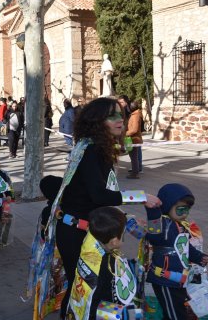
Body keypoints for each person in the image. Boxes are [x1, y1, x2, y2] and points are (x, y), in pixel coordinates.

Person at [53, 97, 161, 318]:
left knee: (85, 288)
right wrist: (141, 197)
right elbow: (99, 195)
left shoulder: (92, 146)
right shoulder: (93, 150)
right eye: (111, 116)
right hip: (76, 231)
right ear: (97, 121)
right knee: (83, 289)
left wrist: (126, 217)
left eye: (120, 114)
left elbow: (95, 197)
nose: (120, 119)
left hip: (82, 228)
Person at [146, 183, 208, 320]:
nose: (185, 214)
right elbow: (154, 236)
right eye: (181, 210)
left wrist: (198, 256)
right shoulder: (163, 225)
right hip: (164, 280)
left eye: (187, 210)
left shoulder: (180, 226)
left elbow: (184, 246)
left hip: (179, 279)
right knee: (175, 314)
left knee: (177, 310)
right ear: (168, 206)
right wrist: (153, 211)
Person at [67, 207, 139, 319]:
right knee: (135, 314)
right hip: (96, 312)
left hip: (79, 305)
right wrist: (130, 314)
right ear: (114, 241)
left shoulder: (91, 241)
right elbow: (101, 304)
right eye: (123, 234)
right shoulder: (107, 266)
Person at [125, 100, 143, 179]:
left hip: (134, 139)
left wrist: (125, 133)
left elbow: (134, 129)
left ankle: (135, 173)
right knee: (134, 157)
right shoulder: (134, 114)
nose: (127, 108)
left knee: (134, 157)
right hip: (133, 139)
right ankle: (135, 171)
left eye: (128, 107)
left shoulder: (135, 116)